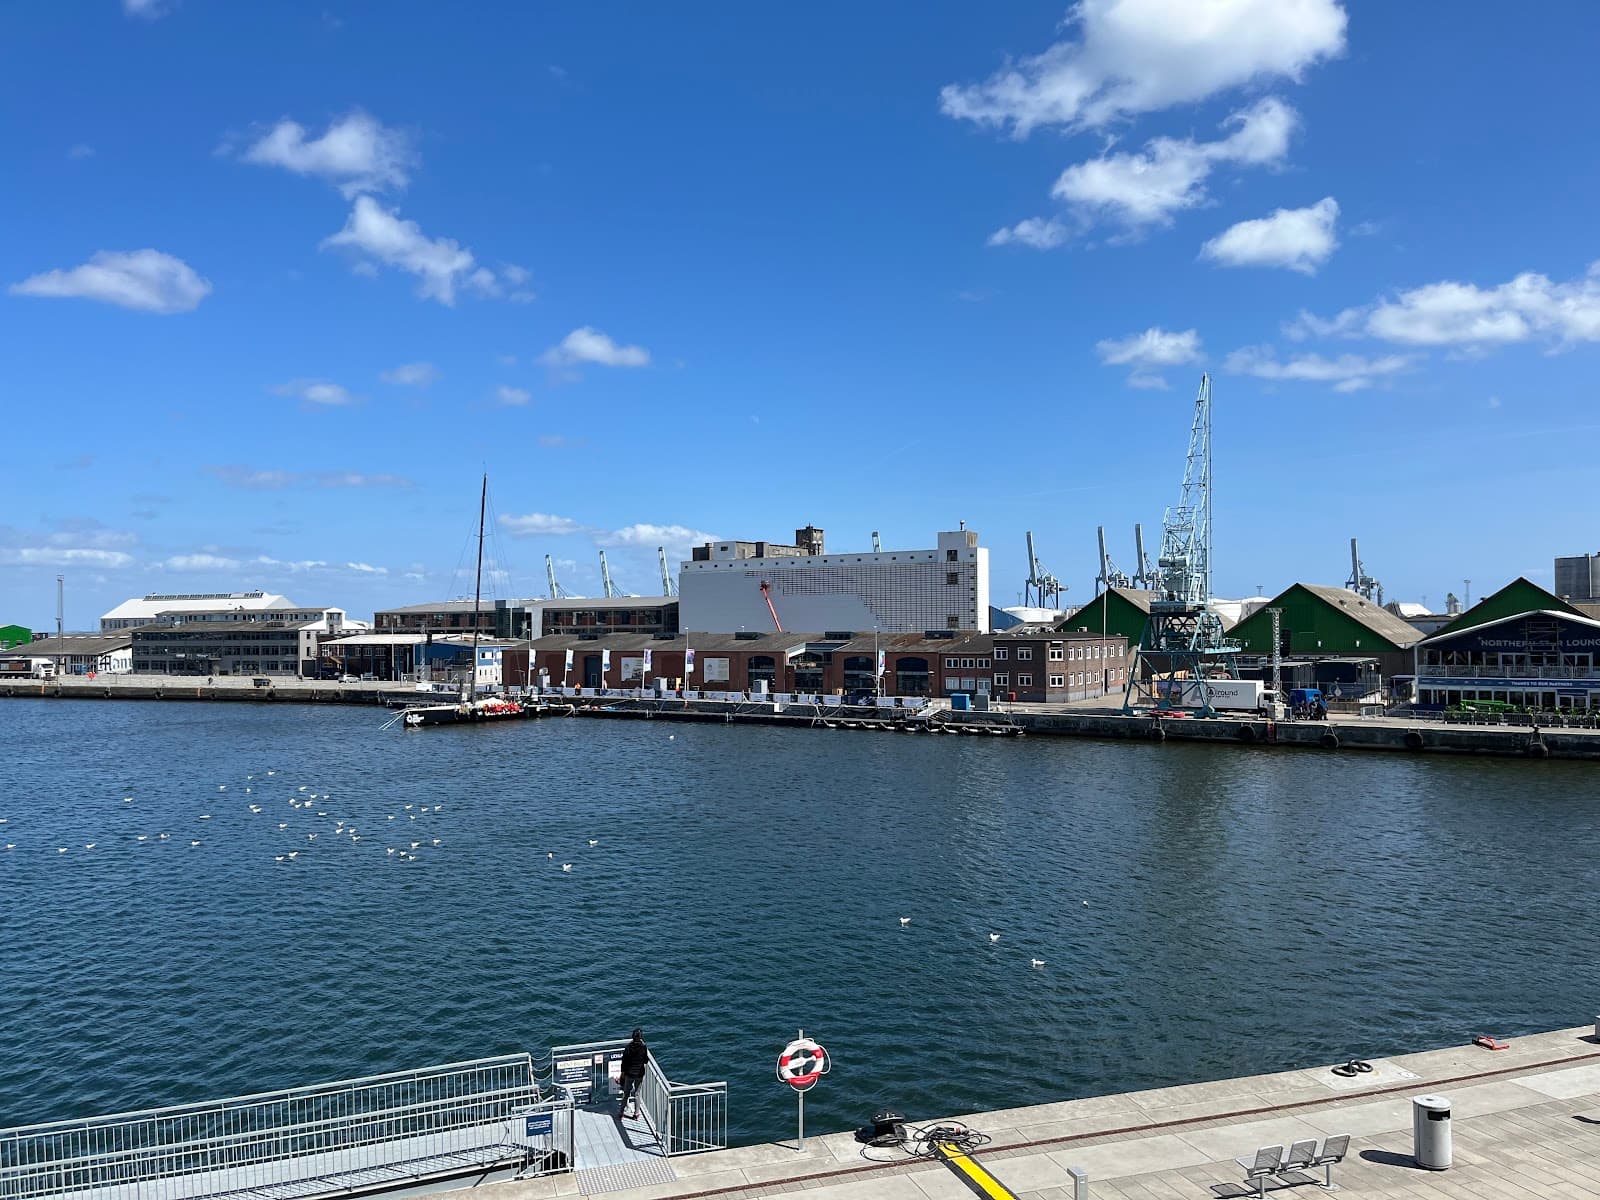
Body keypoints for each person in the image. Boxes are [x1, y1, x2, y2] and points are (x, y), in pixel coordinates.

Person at [619, 1029, 648, 1119]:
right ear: (640, 1038)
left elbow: (624, 1062)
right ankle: (636, 1113)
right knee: (637, 1094)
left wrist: (622, 1074)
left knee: (626, 1093)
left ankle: (621, 1112)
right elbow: (646, 1060)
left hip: (629, 1073)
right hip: (639, 1074)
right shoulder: (643, 1047)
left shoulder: (628, 1047)